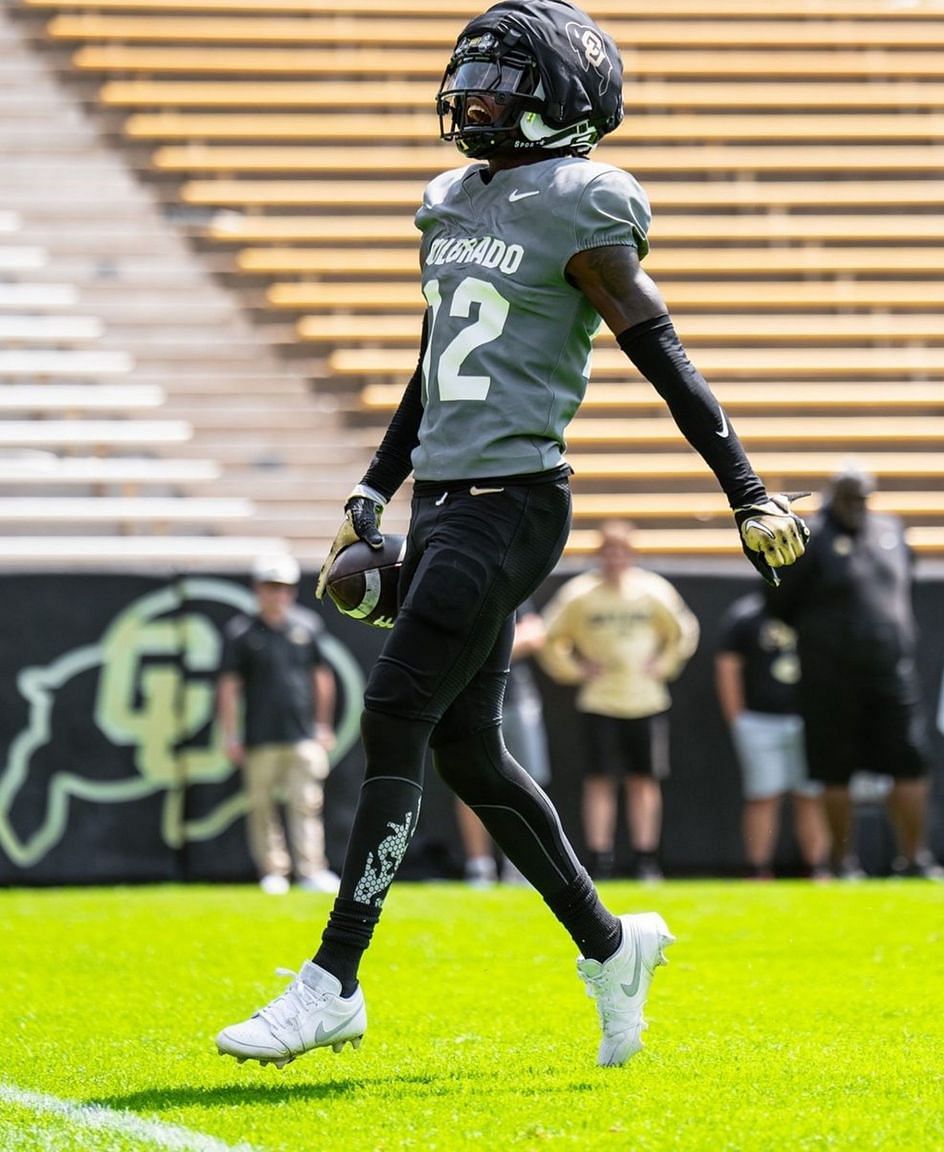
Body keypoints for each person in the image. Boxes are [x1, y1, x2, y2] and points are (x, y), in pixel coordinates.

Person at [214, 0, 809, 1071]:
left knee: (395, 708)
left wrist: (746, 487)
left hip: (516, 502)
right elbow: (433, 365)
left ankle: (331, 981)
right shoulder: (451, 202)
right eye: (470, 75)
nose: (472, 96)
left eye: (499, 79)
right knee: (468, 749)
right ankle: (611, 944)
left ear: (562, 101)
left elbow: (659, 351)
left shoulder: (582, 205)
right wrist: (374, 485)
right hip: (444, 500)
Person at [763, 464, 942, 878]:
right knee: (834, 768)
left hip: (889, 669)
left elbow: (903, 584)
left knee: (910, 761)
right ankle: (842, 861)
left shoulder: (890, 530)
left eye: (863, 498)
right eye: (850, 499)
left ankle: (915, 858)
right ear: (833, 496)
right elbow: (778, 602)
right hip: (830, 675)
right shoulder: (810, 535)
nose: (857, 507)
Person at [539, 522, 698, 882]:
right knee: (599, 780)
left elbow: (684, 631)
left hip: (646, 699)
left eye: (622, 551)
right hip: (599, 700)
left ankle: (645, 858)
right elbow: (551, 638)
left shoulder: (653, 590)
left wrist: (665, 663)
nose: (615, 559)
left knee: (644, 780)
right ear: (599, 555)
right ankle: (600, 858)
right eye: (609, 552)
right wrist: (576, 669)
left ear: (632, 554)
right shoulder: (581, 594)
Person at [217, 554, 341, 896]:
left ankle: (311, 869)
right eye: (271, 587)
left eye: (284, 588)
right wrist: (230, 734)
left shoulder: (307, 626)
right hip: (259, 736)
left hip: (302, 734)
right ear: (258, 590)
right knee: (262, 806)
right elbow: (228, 687)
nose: (278, 595)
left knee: (307, 803)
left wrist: (323, 725)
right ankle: (273, 870)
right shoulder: (241, 633)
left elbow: (322, 678)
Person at [715, 590, 829, 880]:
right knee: (762, 796)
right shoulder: (746, 615)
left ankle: (817, 869)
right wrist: (737, 719)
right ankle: (757, 870)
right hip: (759, 721)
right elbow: (727, 667)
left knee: (811, 796)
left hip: (811, 719)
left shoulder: (817, 610)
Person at [455, 604, 550, 887]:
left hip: (516, 700)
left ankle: (519, 865)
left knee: (524, 784)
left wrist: (483, 648)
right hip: (468, 699)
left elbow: (534, 633)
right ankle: (479, 866)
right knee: (468, 783)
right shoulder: (455, 582)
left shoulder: (513, 579)